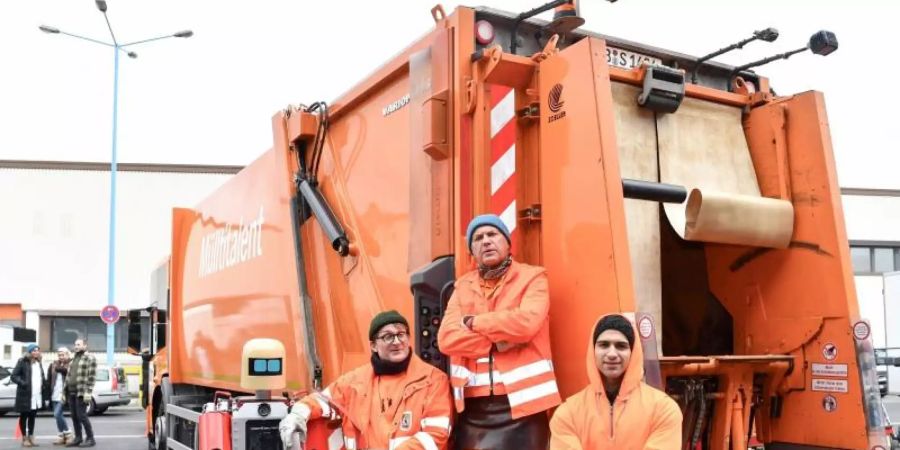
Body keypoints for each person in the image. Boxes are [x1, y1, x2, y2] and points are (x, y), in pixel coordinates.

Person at [437, 214, 560, 449]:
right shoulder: (462, 286)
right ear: (472, 252)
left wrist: (473, 322)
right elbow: (446, 339)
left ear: (507, 242)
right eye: (478, 238)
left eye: (492, 234)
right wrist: (494, 343)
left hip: (526, 405)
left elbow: (526, 324)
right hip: (474, 411)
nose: (486, 241)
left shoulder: (533, 278)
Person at [280, 310, 452, 450]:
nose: (397, 341)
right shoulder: (356, 381)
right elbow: (323, 400)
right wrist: (298, 414)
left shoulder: (433, 380)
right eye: (388, 336)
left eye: (401, 334)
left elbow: (435, 436)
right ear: (373, 346)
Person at [549, 314, 682, 449]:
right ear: (593, 350)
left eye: (621, 346)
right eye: (604, 345)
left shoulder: (663, 410)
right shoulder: (567, 414)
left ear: (633, 352)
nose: (612, 353)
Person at [11, 343, 46, 448]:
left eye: (37, 350)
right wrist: (23, 383)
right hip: (25, 394)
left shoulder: (38, 363)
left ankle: (31, 436)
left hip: (36, 394)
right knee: (24, 416)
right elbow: (14, 376)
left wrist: (44, 384)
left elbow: (41, 376)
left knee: (32, 416)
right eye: (33, 350)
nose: (36, 352)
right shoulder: (22, 362)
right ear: (29, 352)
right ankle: (24, 438)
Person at [65, 338, 96, 447]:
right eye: (75, 344)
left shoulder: (90, 358)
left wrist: (88, 392)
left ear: (85, 346)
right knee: (74, 416)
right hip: (71, 391)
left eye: (79, 344)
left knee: (82, 415)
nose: (76, 346)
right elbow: (69, 376)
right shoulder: (73, 358)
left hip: (81, 392)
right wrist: (64, 392)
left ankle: (90, 438)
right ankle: (78, 438)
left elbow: (92, 377)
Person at [48, 347, 75, 446]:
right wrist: (47, 395)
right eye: (59, 355)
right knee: (58, 416)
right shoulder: (53, 364)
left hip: (64, 394)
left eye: (63, 355)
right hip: (54, 393)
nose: (61, 357)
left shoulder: (72, 364)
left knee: (57, 414)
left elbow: (68, 373)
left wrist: (60, 368)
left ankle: (68, 433)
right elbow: (49, 379)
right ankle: (61, 436)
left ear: (68, 354)